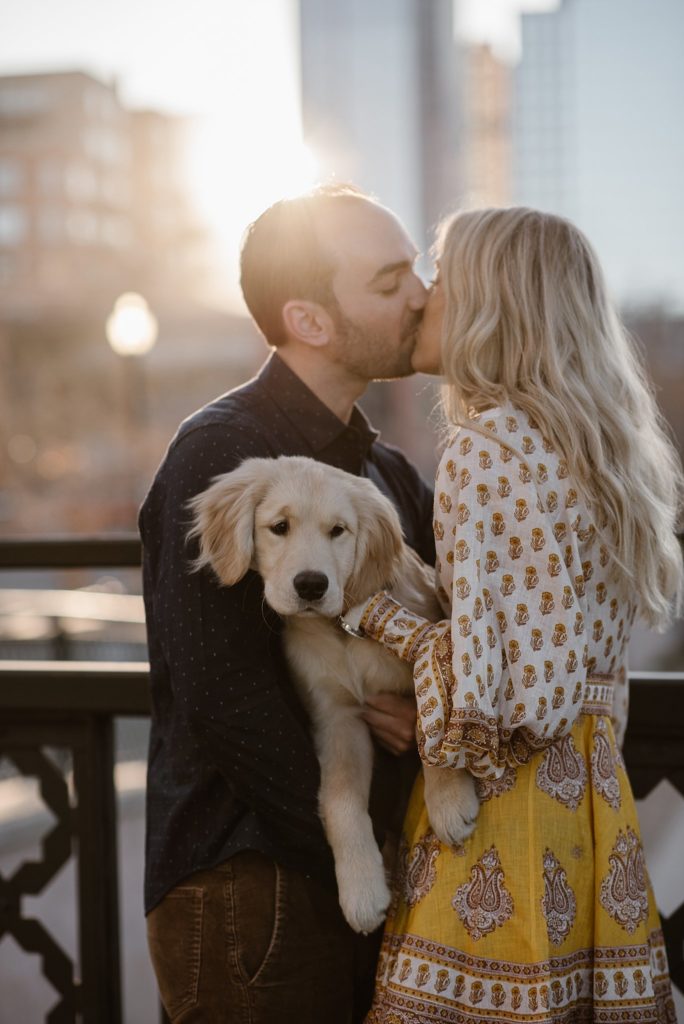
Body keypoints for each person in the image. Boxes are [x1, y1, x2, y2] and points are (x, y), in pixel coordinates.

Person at [340, 207, 683, 1022]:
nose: (424, 300)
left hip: (505, 806)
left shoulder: (485, 448)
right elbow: (577, 673)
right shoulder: (594, 452)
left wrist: (375, 616)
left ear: (493, 306)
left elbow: (509, 696)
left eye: (444, 283)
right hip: (596, 800)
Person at [139, 184, 437, 1023]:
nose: (421, 292)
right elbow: (223, 697)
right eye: (390, 280)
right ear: (308, 319)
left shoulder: (387, 475)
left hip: (363, 879)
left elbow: (442, 638)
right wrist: (355, 841)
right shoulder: (222, 452)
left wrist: (427, 713)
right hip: (252, 885)